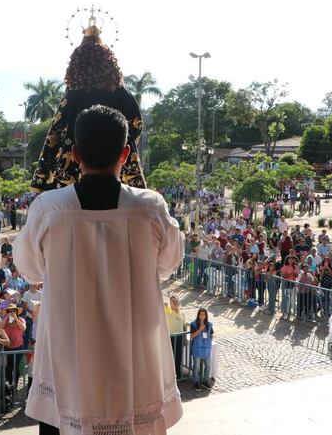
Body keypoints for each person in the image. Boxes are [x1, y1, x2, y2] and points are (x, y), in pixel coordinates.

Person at [15, 105, 183, 434]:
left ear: (75, 154)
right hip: (135, 364)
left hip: (68, 366)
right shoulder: (150, 208)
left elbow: (30, 270)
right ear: (125, 153)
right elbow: (168, 264)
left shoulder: (49, 209)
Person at [30, 17, 145, 192]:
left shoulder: (73, 95)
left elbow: (56, 130)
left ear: (77, 63)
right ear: (108, 62)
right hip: (115, 159)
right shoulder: (120, 93)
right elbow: (136, 124)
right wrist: (115, 142)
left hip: (77, 160)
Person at [189, 308, 214, 391]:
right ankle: (195, 382)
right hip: (197, 348)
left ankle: (205, 381)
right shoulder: (194, 324)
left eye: (204, 314)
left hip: (206, 349)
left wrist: (209, 341)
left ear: (206, 315)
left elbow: (211, 334)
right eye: (200, 314)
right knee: (196, 367)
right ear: (198, 315)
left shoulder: (209, 324)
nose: (202, 316)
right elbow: (192, 336)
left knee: (208, 366)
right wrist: (200, 329)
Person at [165, 296, 187, 380]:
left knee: (178, 357)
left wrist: (184, 338)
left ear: (179, 302)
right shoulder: (167, 310)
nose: (175, 302)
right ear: (170, 303)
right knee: (170, 358)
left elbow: (184, 326)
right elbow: (163, 305)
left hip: (180, 337)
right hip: (171, 338)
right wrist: (166, 304)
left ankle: (178, 375)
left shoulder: (182, 312)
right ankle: (170, 377)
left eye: (176, 301)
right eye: (173, 301)